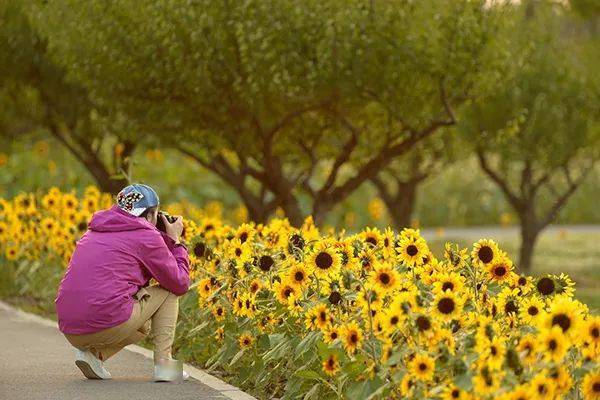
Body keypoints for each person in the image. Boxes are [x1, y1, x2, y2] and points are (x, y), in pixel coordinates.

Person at [55, 184, 190, 381]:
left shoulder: (93, 232)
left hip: (70, 328)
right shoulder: (146, 236)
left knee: (142, 326)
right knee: (169, 291)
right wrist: (175, 241)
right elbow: (179, 283)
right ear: (150, 215)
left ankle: (94, 356)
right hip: (105, 322)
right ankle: (166, 368)